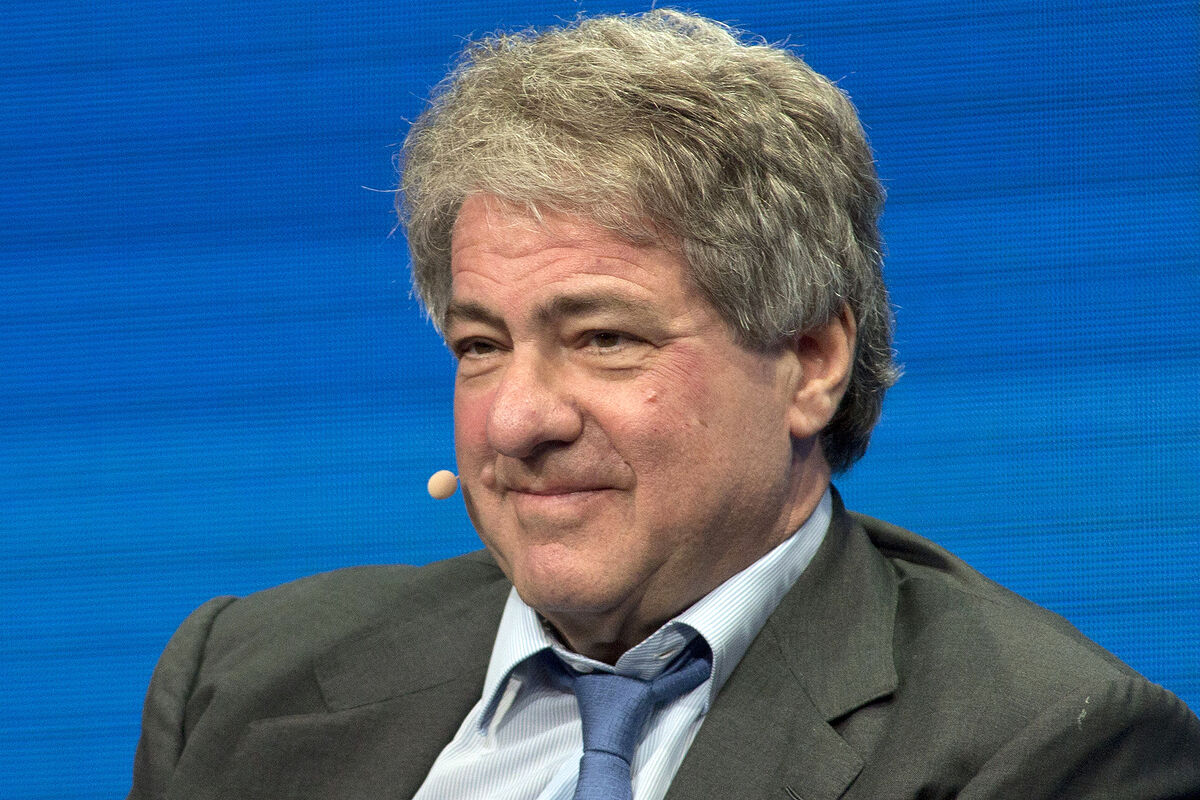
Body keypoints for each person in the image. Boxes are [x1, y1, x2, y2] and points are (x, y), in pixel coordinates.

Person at [128, 10, 1200, 800]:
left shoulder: (1044, 747)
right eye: (480, 346)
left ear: (810, 361)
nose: (517, 422)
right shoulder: (241, 679)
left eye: (604, 338)